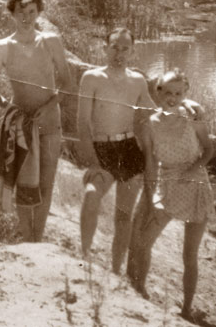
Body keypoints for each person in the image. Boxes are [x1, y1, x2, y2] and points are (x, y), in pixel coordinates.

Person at [127, 69, 214, 322]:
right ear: (158, 93)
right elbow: (151, 165)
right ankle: (140, 291)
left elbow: (208, 150)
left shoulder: (194, 116)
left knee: (190, 255)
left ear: (185, 94)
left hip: (196, 185)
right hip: (168, 185)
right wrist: (153, 196)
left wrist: (193, 169)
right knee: (144, 242)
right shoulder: (150, 125)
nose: (172, 97)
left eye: (178, 93)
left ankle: (186, 309)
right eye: (167, 92)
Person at [0, 0, 72, 242]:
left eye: (32, 12)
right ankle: (26, 238)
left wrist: (50, 104)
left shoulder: (51, 40)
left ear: (39, 13)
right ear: (12, 13)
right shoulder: (1, 47)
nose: (26, 17)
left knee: (45, 182)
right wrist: (9, 109)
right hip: (20, 123)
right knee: (24, 183)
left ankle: (38, 239)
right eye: (20, 12)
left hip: (49, 120)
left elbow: (67, 83)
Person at [78, 27, 158, 274]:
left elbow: (154, 111)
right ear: (105, 48)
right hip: (102, 149)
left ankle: (115, 269)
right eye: (114, 47)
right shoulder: (91, 78)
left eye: (125, 48)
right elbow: (82, 123)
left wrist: (184, 106)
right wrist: (92, 161)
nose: (119, 53)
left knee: (123, 216)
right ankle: (84, 257)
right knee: (92, 195)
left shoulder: (137, 80)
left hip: (130, 149)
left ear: (132, 51)